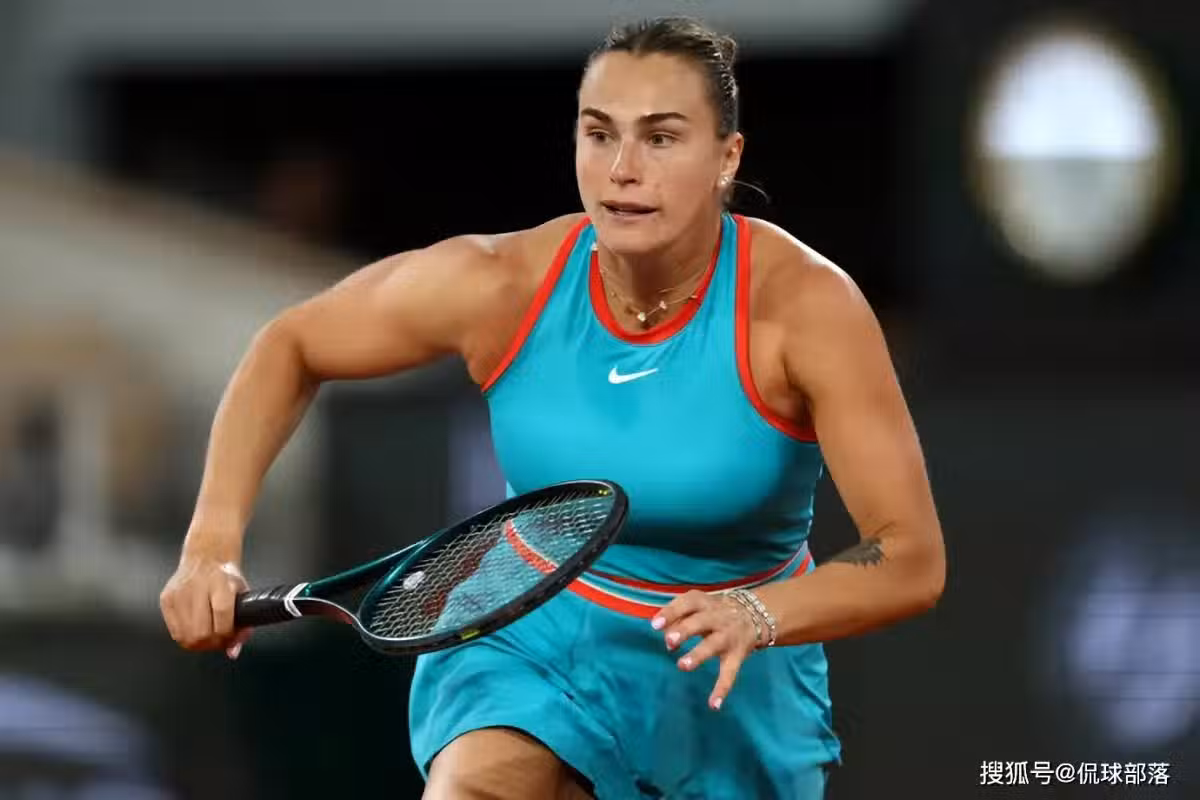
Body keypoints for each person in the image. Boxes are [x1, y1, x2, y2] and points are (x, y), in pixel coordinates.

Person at [159, 16, 946, 800]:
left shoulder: (808, 309)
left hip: (725, 679)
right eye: (599, 135)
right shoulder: (503, 284)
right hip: (530, 632)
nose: (622, 170)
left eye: (661, 138)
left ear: (726, 158)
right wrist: (211, 547)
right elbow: (291, 345)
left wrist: (759, 611)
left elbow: (908, 557)